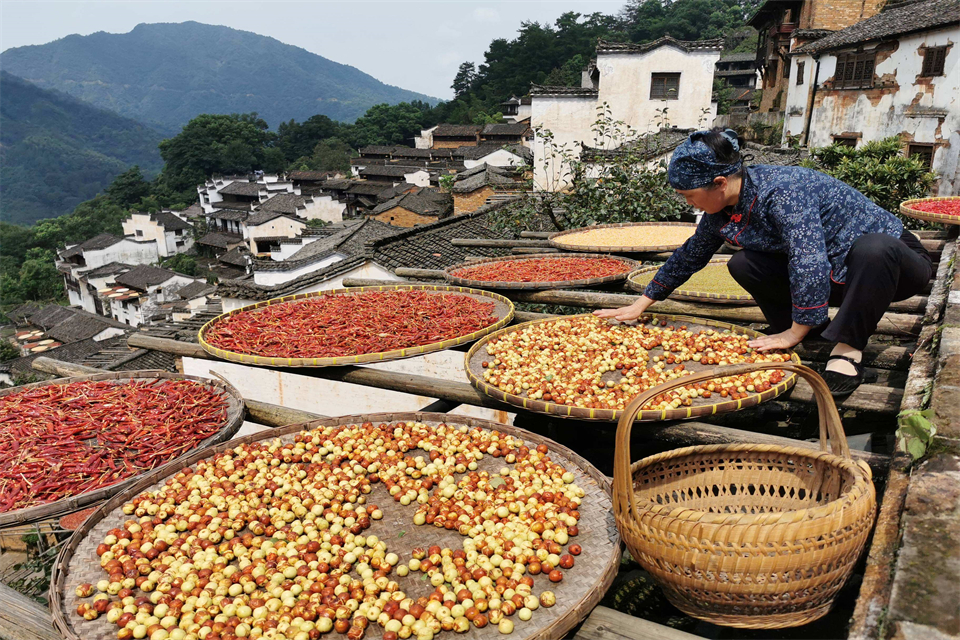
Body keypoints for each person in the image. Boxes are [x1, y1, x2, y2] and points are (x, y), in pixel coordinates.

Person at [595, 128, 933, 397]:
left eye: (688, 196)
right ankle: (808, 329)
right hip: (836, 276)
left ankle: (847, 349)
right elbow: (691, 254)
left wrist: (792, 335)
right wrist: (641, 303)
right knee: (744, 264)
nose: (688, 203)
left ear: (719, 183)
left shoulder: (784, 192)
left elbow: (807, 259)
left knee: (874, 248)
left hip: (890, 270)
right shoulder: (724, 207)